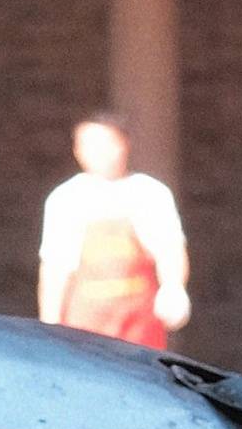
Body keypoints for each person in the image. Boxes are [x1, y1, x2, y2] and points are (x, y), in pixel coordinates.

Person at [37, 115, 190, 348]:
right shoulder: (65, 199)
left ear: (123, 144)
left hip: (140, 329)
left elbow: (170, 250)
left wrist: (174, 288)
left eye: (106, 143)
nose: (97, 152)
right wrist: (49, 329)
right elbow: (55, 270)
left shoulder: (150, 193)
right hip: (83, 329)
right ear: (77, 150)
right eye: (87, 145)